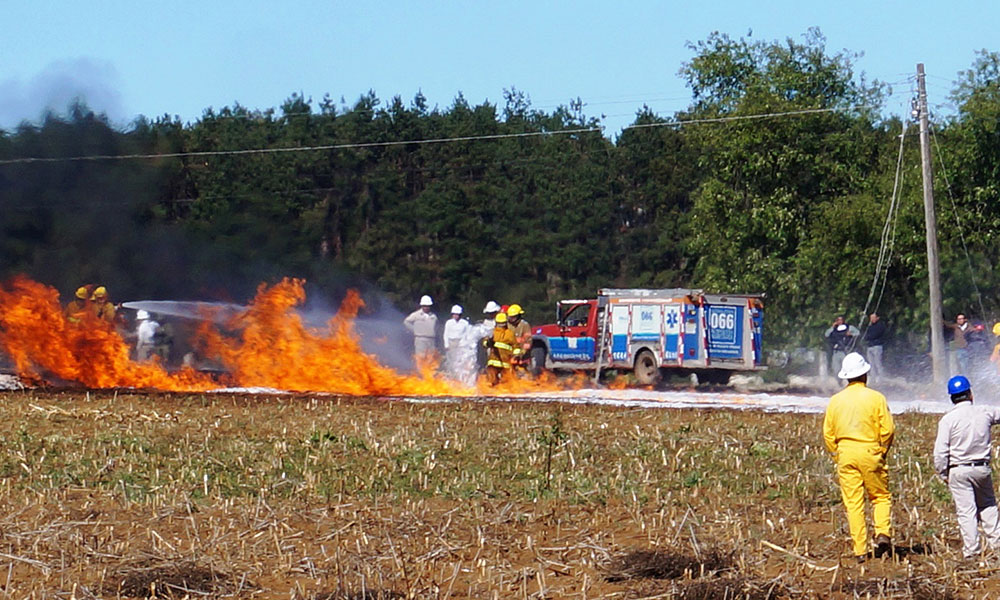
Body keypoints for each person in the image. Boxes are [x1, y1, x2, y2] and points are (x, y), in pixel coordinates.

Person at [823, 352, 895, 562]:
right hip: (871, 451)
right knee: (880, 496)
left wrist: (837, 455)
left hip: (845, 453)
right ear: (865, 373)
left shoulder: (835, 401)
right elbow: (888, 430)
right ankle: (882, 533)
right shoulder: (876, 398)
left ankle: (860, 551)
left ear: (846, 376)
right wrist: (882, 451)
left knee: (853, 503)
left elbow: (828, 433)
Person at [933, 375, 1000, 560]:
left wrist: (942, 472)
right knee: (988, 506)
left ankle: (972, 552)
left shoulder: (948, 420)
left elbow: (940, 453)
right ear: (970, 393)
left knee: (966, 511)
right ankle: (997, 546)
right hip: (982, 468)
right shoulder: (984, 412)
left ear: (951, 398)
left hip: (958, 469)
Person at [455, 301, 500, 387]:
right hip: (487, 348)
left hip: (498, 348)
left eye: (492, 313)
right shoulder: (484, 323)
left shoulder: (500, 321)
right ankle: (488, 382)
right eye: (489, 313)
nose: (491, 315)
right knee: (487, 366)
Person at [484, 312, 516, 386]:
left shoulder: (510, 334)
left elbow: (515, 346)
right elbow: (485, 343)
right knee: (492, 382)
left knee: (505, 383)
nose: (501, 326)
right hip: (494, 361)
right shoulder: (492, 333)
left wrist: (516, 355)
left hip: (505, 363)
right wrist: (489, 343)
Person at [403, 295, 438, 363]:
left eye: (428, 306)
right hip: (420, 339)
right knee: (420, 357)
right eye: (424, 306)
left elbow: (436, 326)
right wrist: (414, 330)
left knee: (430, 357)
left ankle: (429, 372)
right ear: (421, 306)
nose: (426, 307)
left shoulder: (433, 316)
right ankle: (421, 372)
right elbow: (406, 322)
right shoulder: (416, 315)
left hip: (431, 339)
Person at [442, 305, 470, 380]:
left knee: (460, 361)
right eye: (454, 314)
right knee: (451, 360)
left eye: (458, 314)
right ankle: (451, 376)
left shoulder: (465, 323)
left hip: (461, 343)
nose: (456, 316)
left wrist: (464, 344)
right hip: (451, 343)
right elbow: (446, 334)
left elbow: (467, 334)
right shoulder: (449, 323)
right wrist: (446, 344)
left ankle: (459, 377)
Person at [506, 304, 532, 371]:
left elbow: (528, 341)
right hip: (509, 356)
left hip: (523, 358)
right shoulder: (507, 325)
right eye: (510, 317)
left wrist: (521, 353)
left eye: (513, 317)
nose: (511, 319)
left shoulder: (524, 325)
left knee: (524, 377)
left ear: (518, 316)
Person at [864, 313, 888, 382]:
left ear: (877, 318)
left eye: (873, 318)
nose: (872, 319)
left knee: (878, 363)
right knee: (871, 364)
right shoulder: (870, 327)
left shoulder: (880, 326)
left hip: (877, 346)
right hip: (870, 346)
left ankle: (881, 379)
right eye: (871, 318)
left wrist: (869, 337)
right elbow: (866, 336)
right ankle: (873, 379)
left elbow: (875, 334)